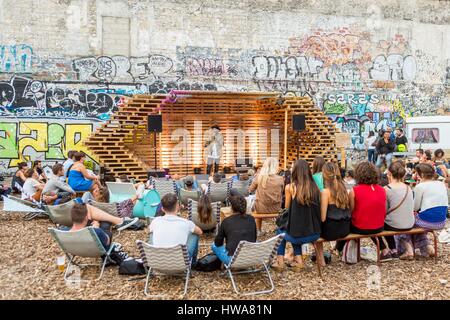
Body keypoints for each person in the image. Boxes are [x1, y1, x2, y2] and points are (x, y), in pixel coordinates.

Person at [272, 159, 322, 272]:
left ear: (296, 171)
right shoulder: (315, 188)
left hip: (299, 234)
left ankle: (279, 262)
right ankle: (298, 261)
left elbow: (287, 209)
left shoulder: (290, 187)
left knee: (280, 232)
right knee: (293, 230)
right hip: (315, 233)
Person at [397, 164, 448, 258]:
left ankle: (408, 250)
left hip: (428, 222)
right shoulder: (441, 184)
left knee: (403, 223)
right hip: (442, 221)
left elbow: (415, 207)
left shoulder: (420, 186)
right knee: (417, 224)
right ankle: (428, 247)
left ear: (422, 175)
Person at [336, 162, 386, 253]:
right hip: (379, 226)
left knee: (345, 223)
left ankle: (338, 249)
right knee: (370, 223)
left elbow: (351, 210)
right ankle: (383, 248)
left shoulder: (354, 190)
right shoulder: (382, 189)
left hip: (360, 227)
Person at [149, 193, 203, 264]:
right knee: (194, 234)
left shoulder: (155, 221)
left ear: (162, 209)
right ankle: (192, 263)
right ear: (177, 207)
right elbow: (200, 232)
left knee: (152, 232)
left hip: (158, 261)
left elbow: (149, 229)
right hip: (180, 262)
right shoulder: (186, 223)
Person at [315, 162, 351, 266]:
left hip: (331, 231)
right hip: (345, 229)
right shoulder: (344, 189)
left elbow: (322, 218)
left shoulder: (325, 192)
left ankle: (321, 259)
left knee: (316, 229)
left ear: (324, 175)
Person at [382, 161, 415, 260]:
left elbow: (384, 211)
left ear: (389, 174)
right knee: (391, 220)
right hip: (410, 223)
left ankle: (390, 249)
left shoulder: (386, 189)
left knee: (379, 223)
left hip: (394, 225)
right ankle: (396, 249)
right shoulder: (408, 188)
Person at [211, 193, 256, 266]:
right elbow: (254, 238)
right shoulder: (251, 219)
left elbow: (218, 243)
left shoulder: (226, 221)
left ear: (232, 208)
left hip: (232, 259)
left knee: (213, 245)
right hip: (251, 256)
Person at [248, 157, 284, 233]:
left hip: (261, 209)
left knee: (257, 201)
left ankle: (258, 230)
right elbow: (282, 191)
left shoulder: (259, 177)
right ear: (275, 166)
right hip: (276, 208)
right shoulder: (280, 179)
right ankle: (277, 228)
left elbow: (250, 190)